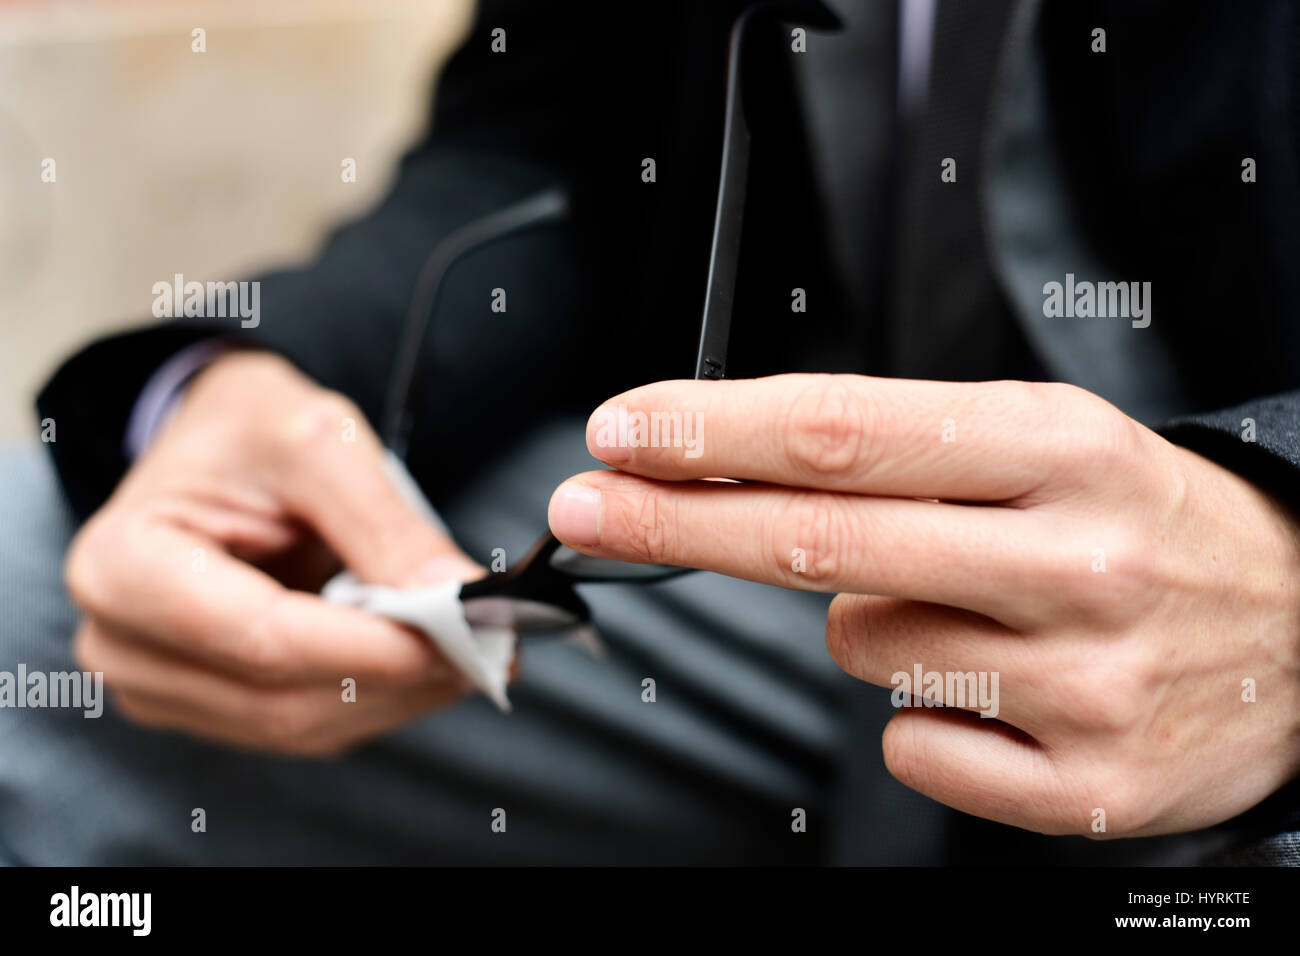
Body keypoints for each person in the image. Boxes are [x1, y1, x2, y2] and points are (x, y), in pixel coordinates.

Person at [3, 0, 1298, 864]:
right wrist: (237, 380)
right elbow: (541, 135)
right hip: (790, 605)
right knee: (26, 584)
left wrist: (1279, 558)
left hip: (1250, 596)